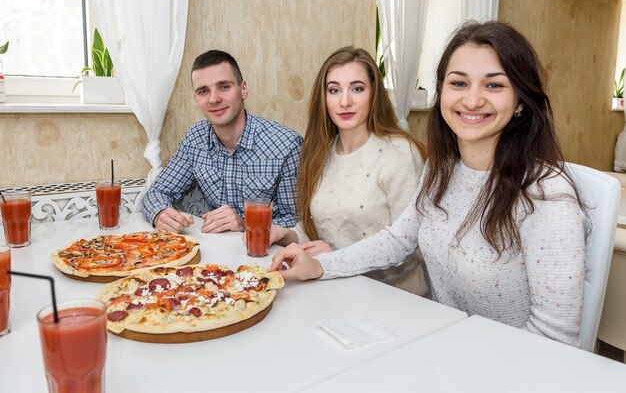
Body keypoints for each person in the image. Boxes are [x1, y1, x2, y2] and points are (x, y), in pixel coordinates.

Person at [269, 21, 587, 347]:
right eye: (459, 83)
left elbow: (554, 341)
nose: (473, 100)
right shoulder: (441, 168)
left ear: (521, 99)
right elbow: (397, 240)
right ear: (442, 93)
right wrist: (320, 266)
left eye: (494, 86)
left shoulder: (546, 194)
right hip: (439, 345)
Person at [269, 46, 428, 295]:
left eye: (357, 88)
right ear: (324, 98)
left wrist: (333, 260)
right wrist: (284, 234)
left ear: (374, 94)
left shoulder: (400, 154)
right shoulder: (320, 152)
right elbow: (323, 227)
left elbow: (410, 246)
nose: (345, 101)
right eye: (334, 90)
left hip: (395, 298)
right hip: (337, 289)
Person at [142, 50, 303, 233]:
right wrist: (161, 214)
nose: (214, 99)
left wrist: (245, 225)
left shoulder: (286, 145)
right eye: (203, 91)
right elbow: (157, 192)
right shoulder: (195, 139)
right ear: (196, 99)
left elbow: (296, 223)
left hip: (266, 256)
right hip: (214, 254)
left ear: (243, 89)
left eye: (224, 87)